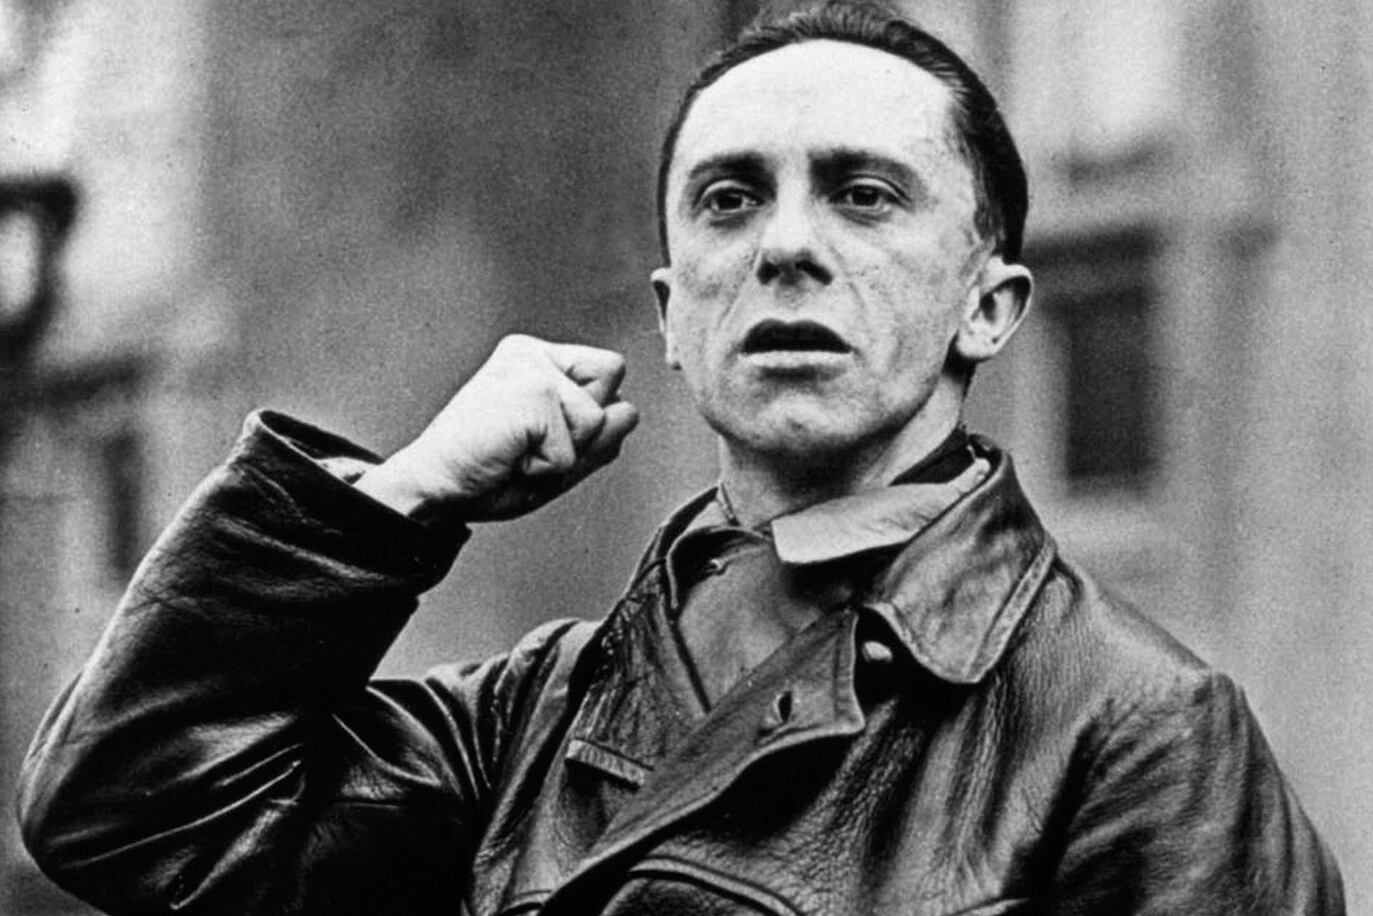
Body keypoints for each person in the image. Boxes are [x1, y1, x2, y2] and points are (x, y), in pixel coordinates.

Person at [17, 2, 1344, 913]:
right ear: (670, 313)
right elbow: (129, 812)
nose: (785, 245)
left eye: (863, 193)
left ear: (986, 307)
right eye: (729, 199)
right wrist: (403, 497)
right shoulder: (542, 711)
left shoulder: (1135, 732)